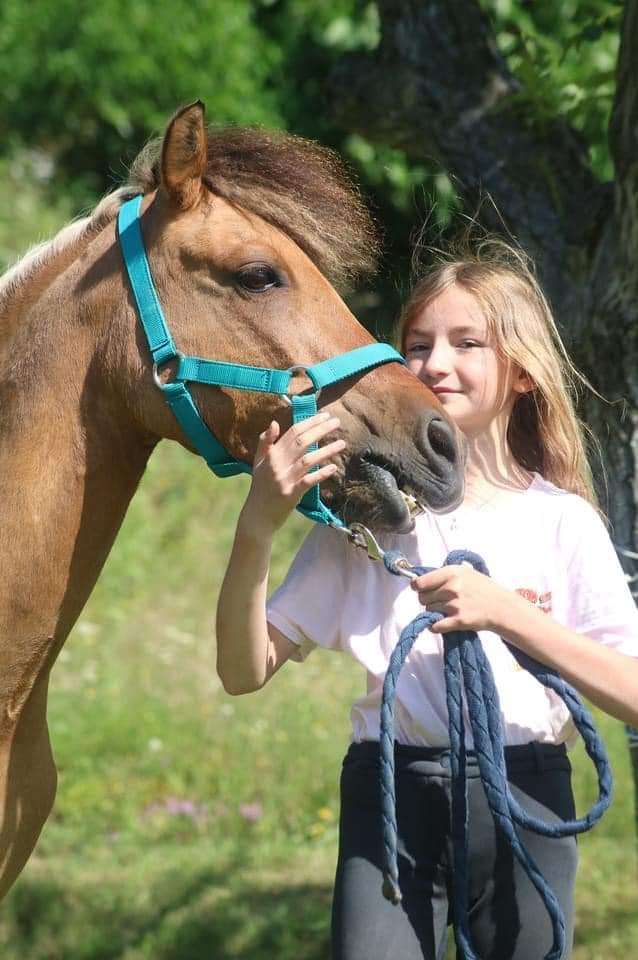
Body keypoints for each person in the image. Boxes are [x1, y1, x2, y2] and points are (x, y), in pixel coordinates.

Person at [215, 238, 638, 960]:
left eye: (466, 343)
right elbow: (242, 670)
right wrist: (258, 524)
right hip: (391, 800)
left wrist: (507, 614)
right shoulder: (367, 520)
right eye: (417, 345)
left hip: (527, 796)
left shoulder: (563, 522)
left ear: (523, 373)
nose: (436, 363)